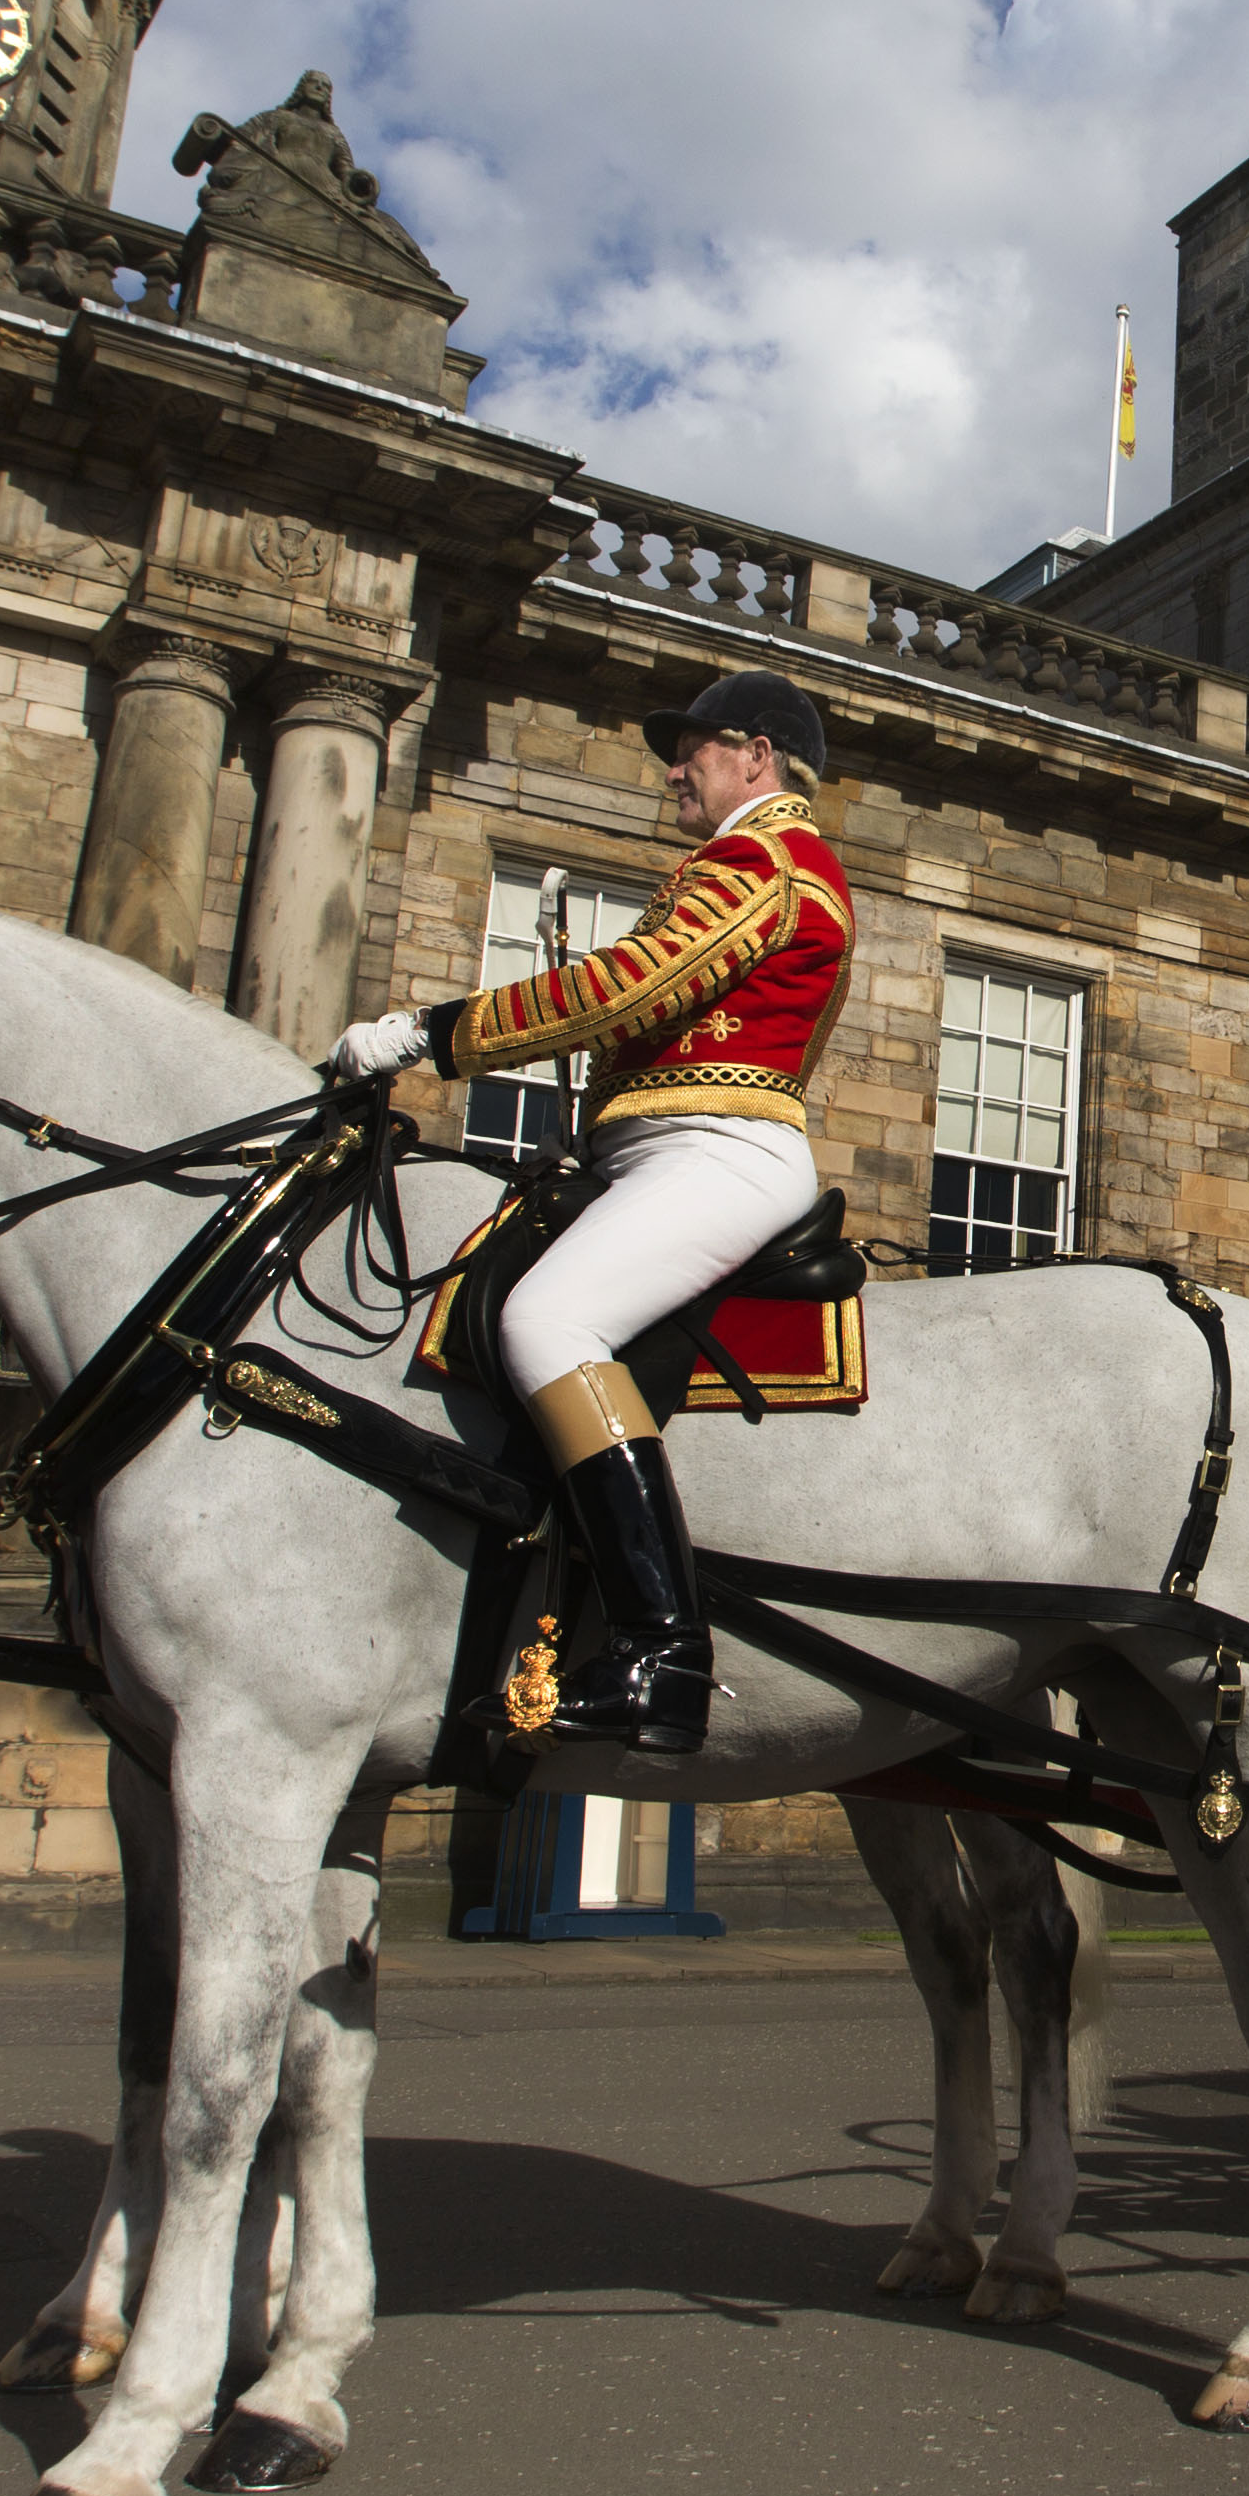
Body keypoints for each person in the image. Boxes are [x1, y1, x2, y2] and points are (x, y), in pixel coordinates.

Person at [329, 668, 853, 1753]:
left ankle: (666, 1653)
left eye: (695, 749)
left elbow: (631, 982)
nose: (676, 770)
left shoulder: (767, 856)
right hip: (661, 1148)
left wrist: (438, 1032)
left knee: (546, 1321)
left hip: (719, 1152)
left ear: (757, 755)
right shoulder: (746, 859)